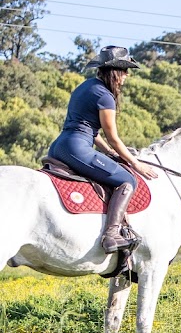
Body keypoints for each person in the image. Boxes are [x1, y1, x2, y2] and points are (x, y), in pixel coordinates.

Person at [48, 45, 158, 253]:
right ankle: (111, 234)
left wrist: (109, 153)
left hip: (60, 145)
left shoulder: (85, 87)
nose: (126, 75)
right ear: (115, 72)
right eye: (124, 70)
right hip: (77, 148)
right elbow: (113, 138)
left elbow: (93, 131)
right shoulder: (105, 96)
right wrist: (135, 163)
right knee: (128, 180)